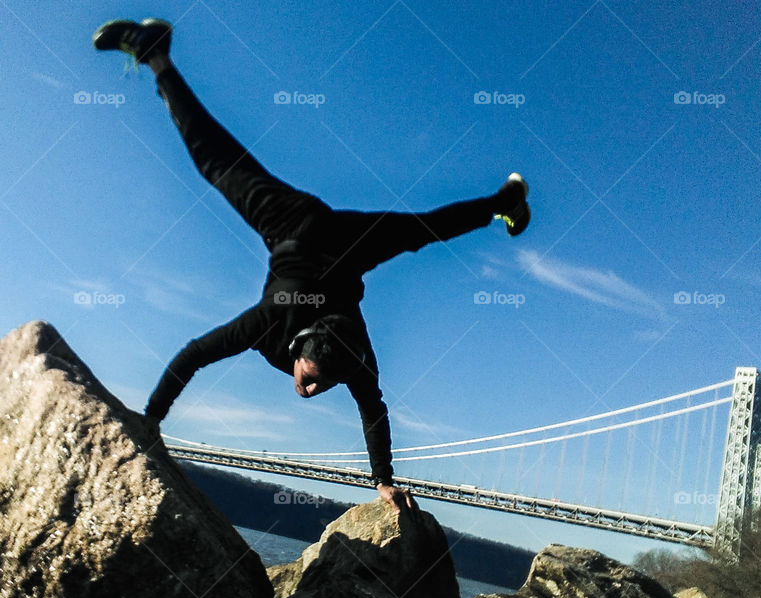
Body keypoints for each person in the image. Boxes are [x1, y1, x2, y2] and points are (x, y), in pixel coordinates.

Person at [93, 18, 530, 513]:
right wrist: (150, 419)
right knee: (215, 162)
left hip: (342, 249)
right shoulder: (272, 322)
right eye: (314, 378)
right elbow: (196, 352)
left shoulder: (354, 356)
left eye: (319, 383)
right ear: (299, 349)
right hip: (293, 226)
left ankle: (505, 201)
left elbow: (373, 412)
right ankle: (156, 56)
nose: (313, 389)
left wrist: (382, 483)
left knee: (420, 231)